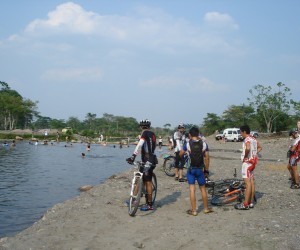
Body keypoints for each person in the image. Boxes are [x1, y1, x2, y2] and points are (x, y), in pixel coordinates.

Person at [180, 126, 213, 216]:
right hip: (200, 169)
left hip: (191, 170)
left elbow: (180, 153)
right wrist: (206, 169)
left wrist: (185, 157)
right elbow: (207, 157)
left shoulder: (187, 144)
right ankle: (206, 208)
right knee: (203, 188)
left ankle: (194, 210)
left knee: (192, 189)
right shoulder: (204, 144)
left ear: (189, 135)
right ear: (198, 134)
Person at [126, 119, 157, 211]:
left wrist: (133, 157)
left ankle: (149, 205)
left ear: (141, 127)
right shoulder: (153, 134)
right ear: (149, 126)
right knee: (142, 179)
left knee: (147, 182)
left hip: (148, 161)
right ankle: (134, 199)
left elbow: (139, 145)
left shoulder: (144, 133)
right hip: (151, 159)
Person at [235, 125, 262, 210]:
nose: (240, 134)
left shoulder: (247, 139)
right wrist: (254, 154)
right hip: (253, 163)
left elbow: (247, 148)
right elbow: (260, 147)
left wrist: (245, 157)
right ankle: (250, 202)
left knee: (248, 183)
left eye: (240, 132)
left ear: (244, 132)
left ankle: (245, 204)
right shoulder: (254, 139)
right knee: (251, 182)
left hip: (247, 163)